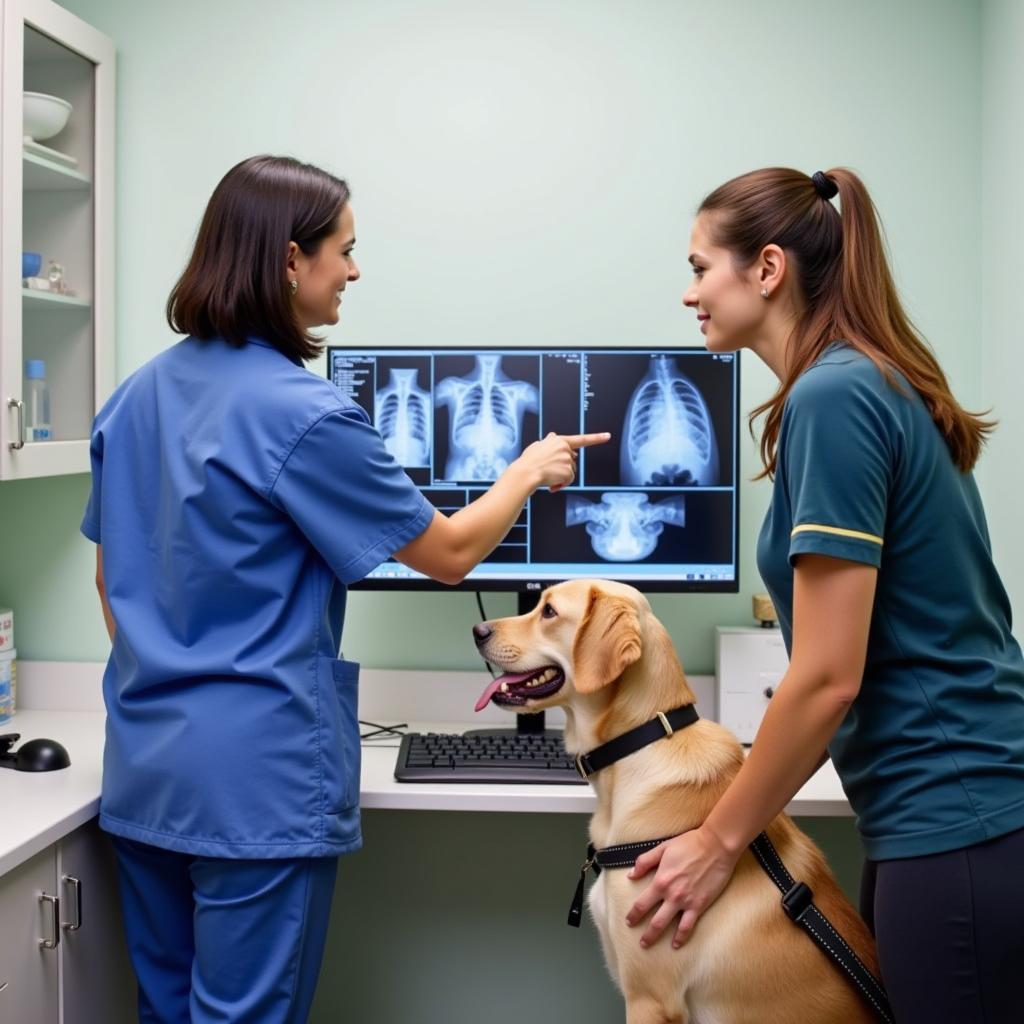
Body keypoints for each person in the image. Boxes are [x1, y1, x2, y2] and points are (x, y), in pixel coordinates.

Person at [81, 154, 609, 1024]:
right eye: (345, 251)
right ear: (292, 260)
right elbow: (446, 556)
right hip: (255, 778)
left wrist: (176, 675)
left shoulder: (133, 397)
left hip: (146, 766)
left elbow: (112, 578)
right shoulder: (304, 413)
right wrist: (526, 470)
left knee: (166, 1012)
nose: (354, 272)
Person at [624, 166, 1024, 1023]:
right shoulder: (866, 381)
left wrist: (715, 841)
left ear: (767, 269)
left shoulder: (834, 397)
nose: (689, 291)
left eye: (701, 268)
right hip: (953, 811)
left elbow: (828, 675)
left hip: (955, 817)